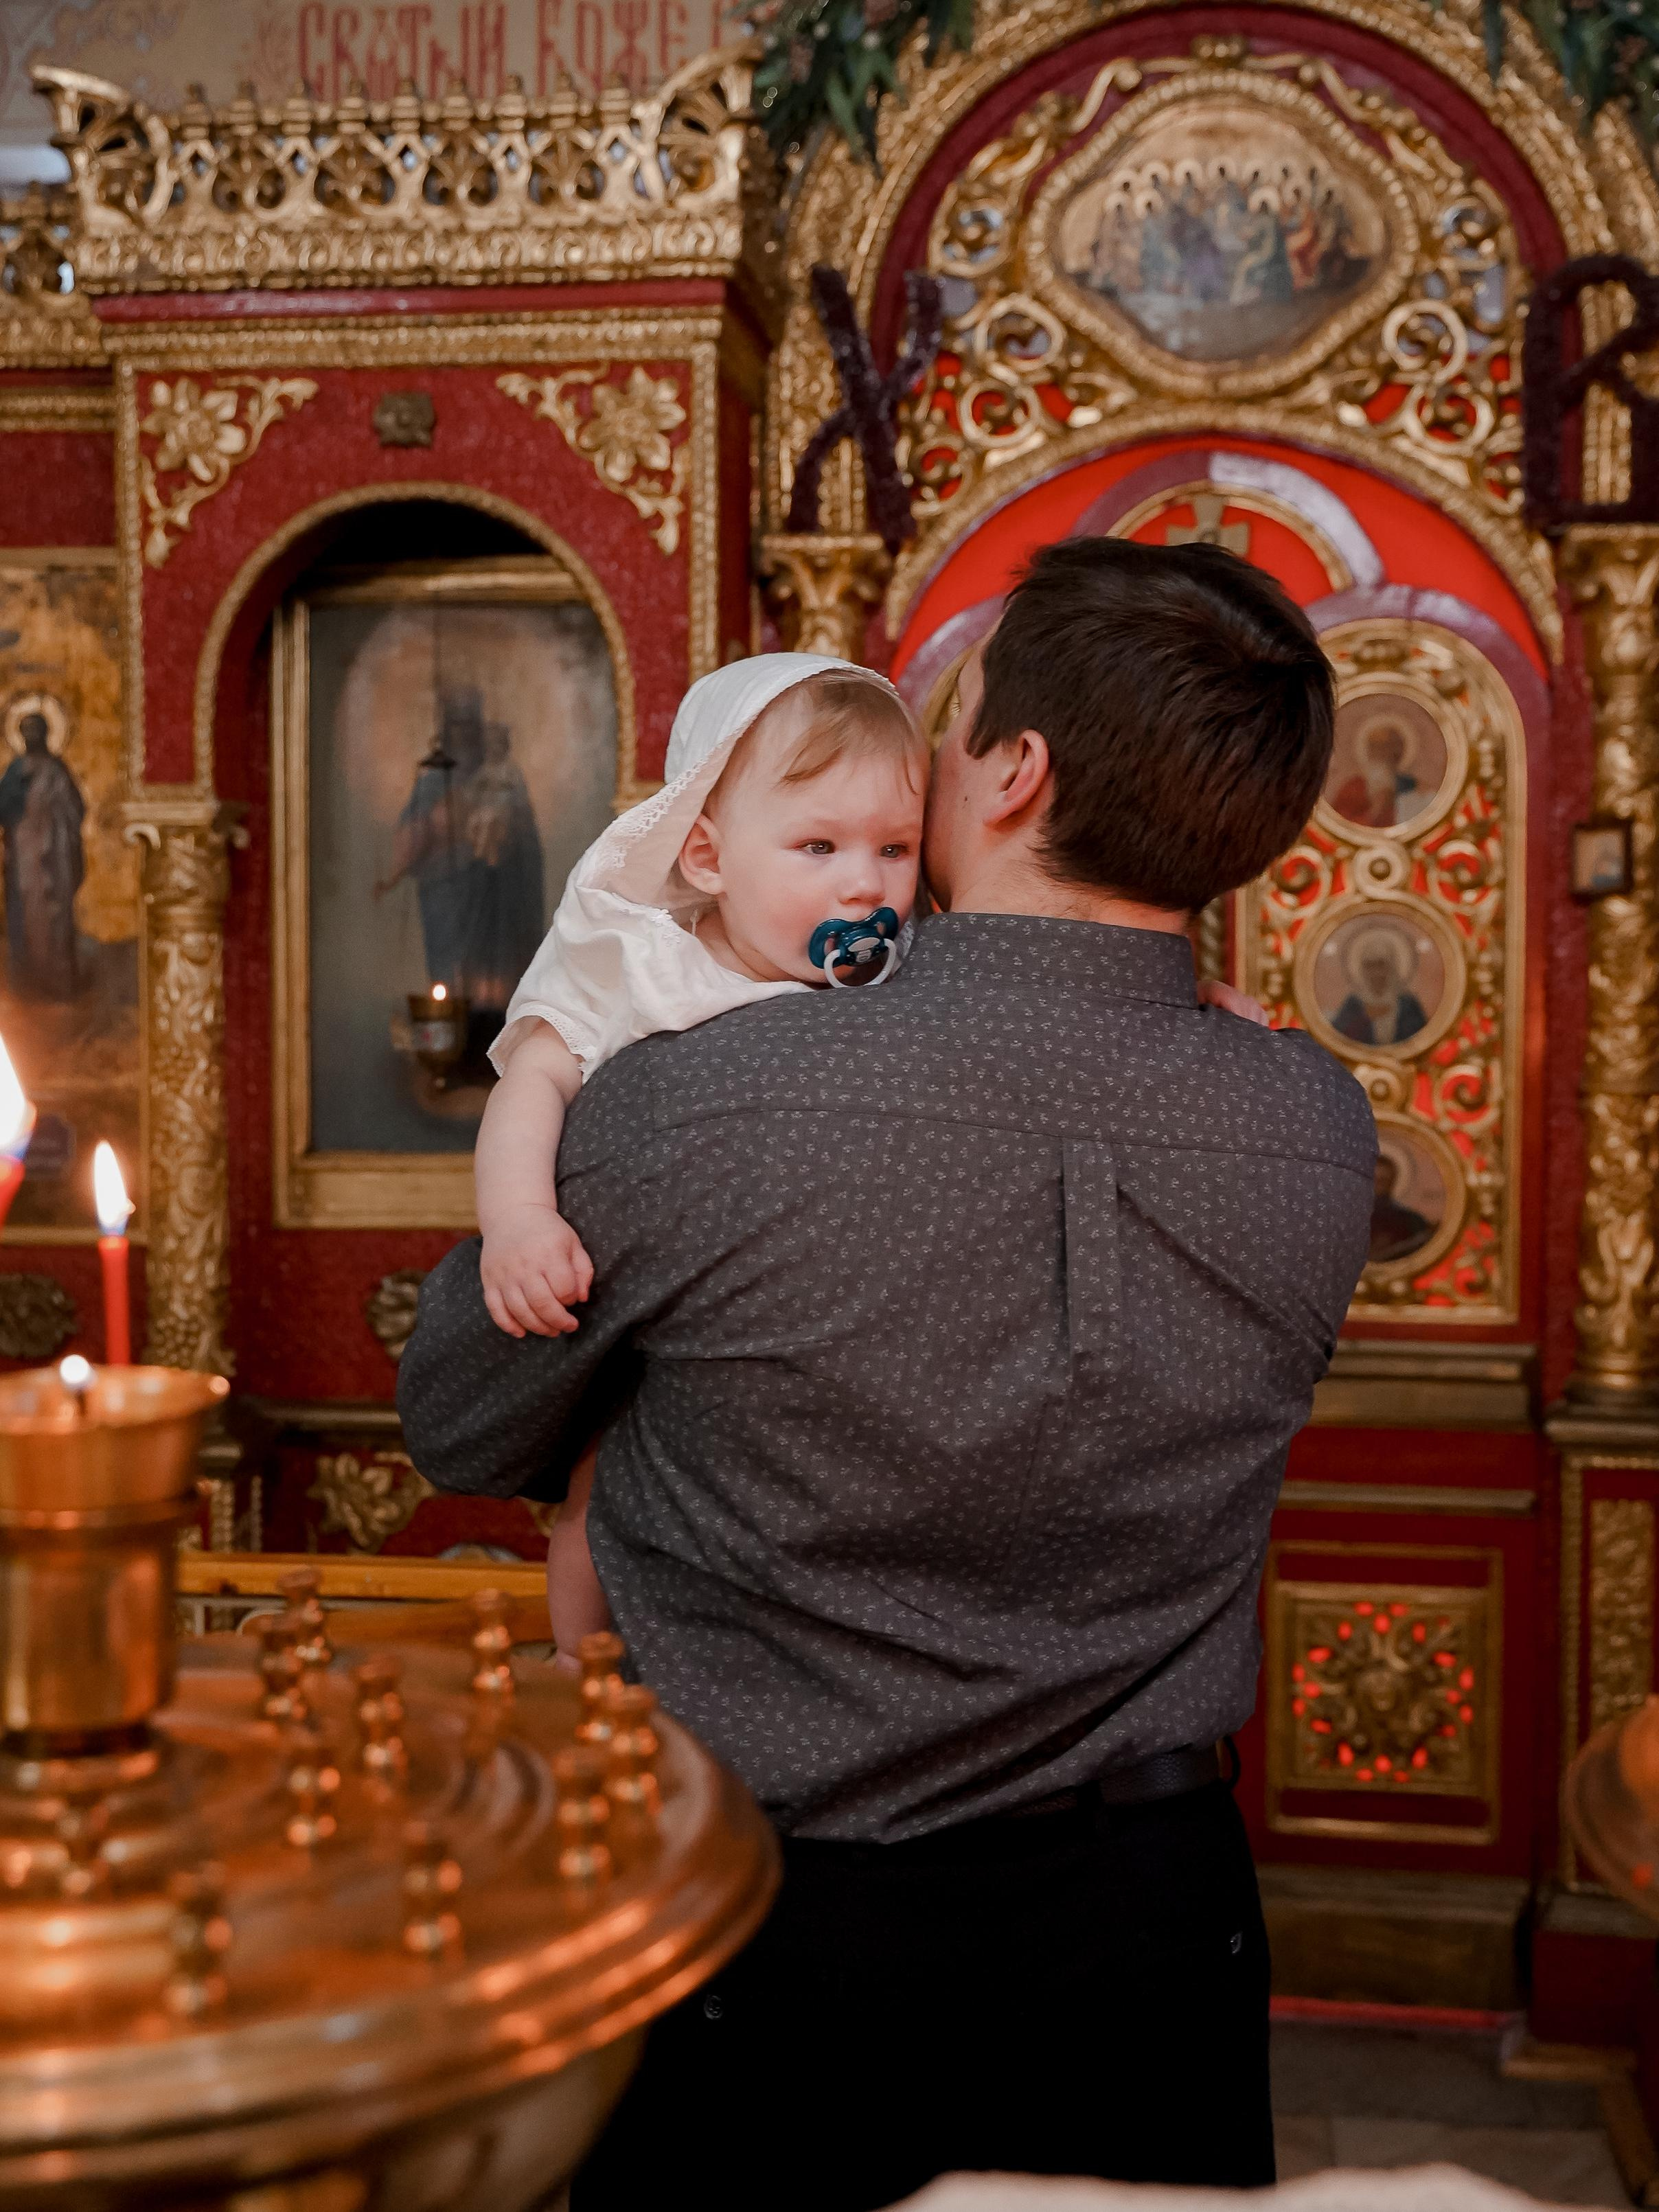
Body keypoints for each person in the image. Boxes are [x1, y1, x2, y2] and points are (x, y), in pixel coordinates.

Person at [398, 537, 1376, 2211]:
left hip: (773, 1943)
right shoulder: (1317, 1127)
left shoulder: (702, 1099)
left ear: (1013, 771)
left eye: (951, 706)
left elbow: (463, 1415)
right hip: (1156, 1931)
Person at [0, 707, 86, 1002]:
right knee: (26, 915)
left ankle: (58, 985)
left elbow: (75, 808)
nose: (31, 737)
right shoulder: (15, 771)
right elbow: (3, 809)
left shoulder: (55, 770)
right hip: (23, 859)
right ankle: (28, 983)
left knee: (54, 915)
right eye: (26, 732)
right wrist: (18, 793)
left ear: (46, 735)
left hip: (52, 855)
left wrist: (52, 818)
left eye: (36, 731)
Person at [1332, 929, 1428, 1047]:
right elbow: (1338, 1037)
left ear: (1392, 967)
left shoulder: (1407, 1003)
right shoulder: (1354, 1003)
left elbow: (1421, 1037)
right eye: (1370, 966)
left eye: (1381, 965)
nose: (1376, 973)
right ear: (1362, 970)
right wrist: (1365, 1018)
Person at [1369, 1152, 1435, 1263]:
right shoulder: (1348, 1219)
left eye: (1383, 1181)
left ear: (1392, 1182)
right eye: (1374, 1181)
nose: (1378, 1186)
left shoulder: (1411, 1220)